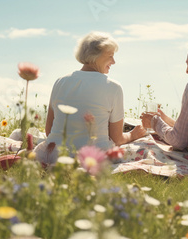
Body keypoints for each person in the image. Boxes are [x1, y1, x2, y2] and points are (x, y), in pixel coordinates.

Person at [35, 31, 146, 164]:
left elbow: (49, 131)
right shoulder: (114, 87)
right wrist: (133, 135)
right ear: (96, 56)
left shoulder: (60, 81)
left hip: (54, 155)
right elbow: (117, 139)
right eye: (110, 56)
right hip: (94, 159)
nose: (114, 62)